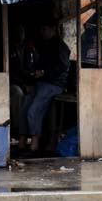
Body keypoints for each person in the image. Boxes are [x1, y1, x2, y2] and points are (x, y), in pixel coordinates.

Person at [18, 21, 70, 154]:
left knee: (33, 110)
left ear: (53, 29)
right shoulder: (44, 45)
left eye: (45, 28)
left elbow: (62, 67)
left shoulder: (61, 47)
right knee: (24, 108)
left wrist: (44, 72)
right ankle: (22, 141)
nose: (43, 32)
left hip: (54, 84)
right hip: (41, 83)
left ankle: (34, 144)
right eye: (42, 29)